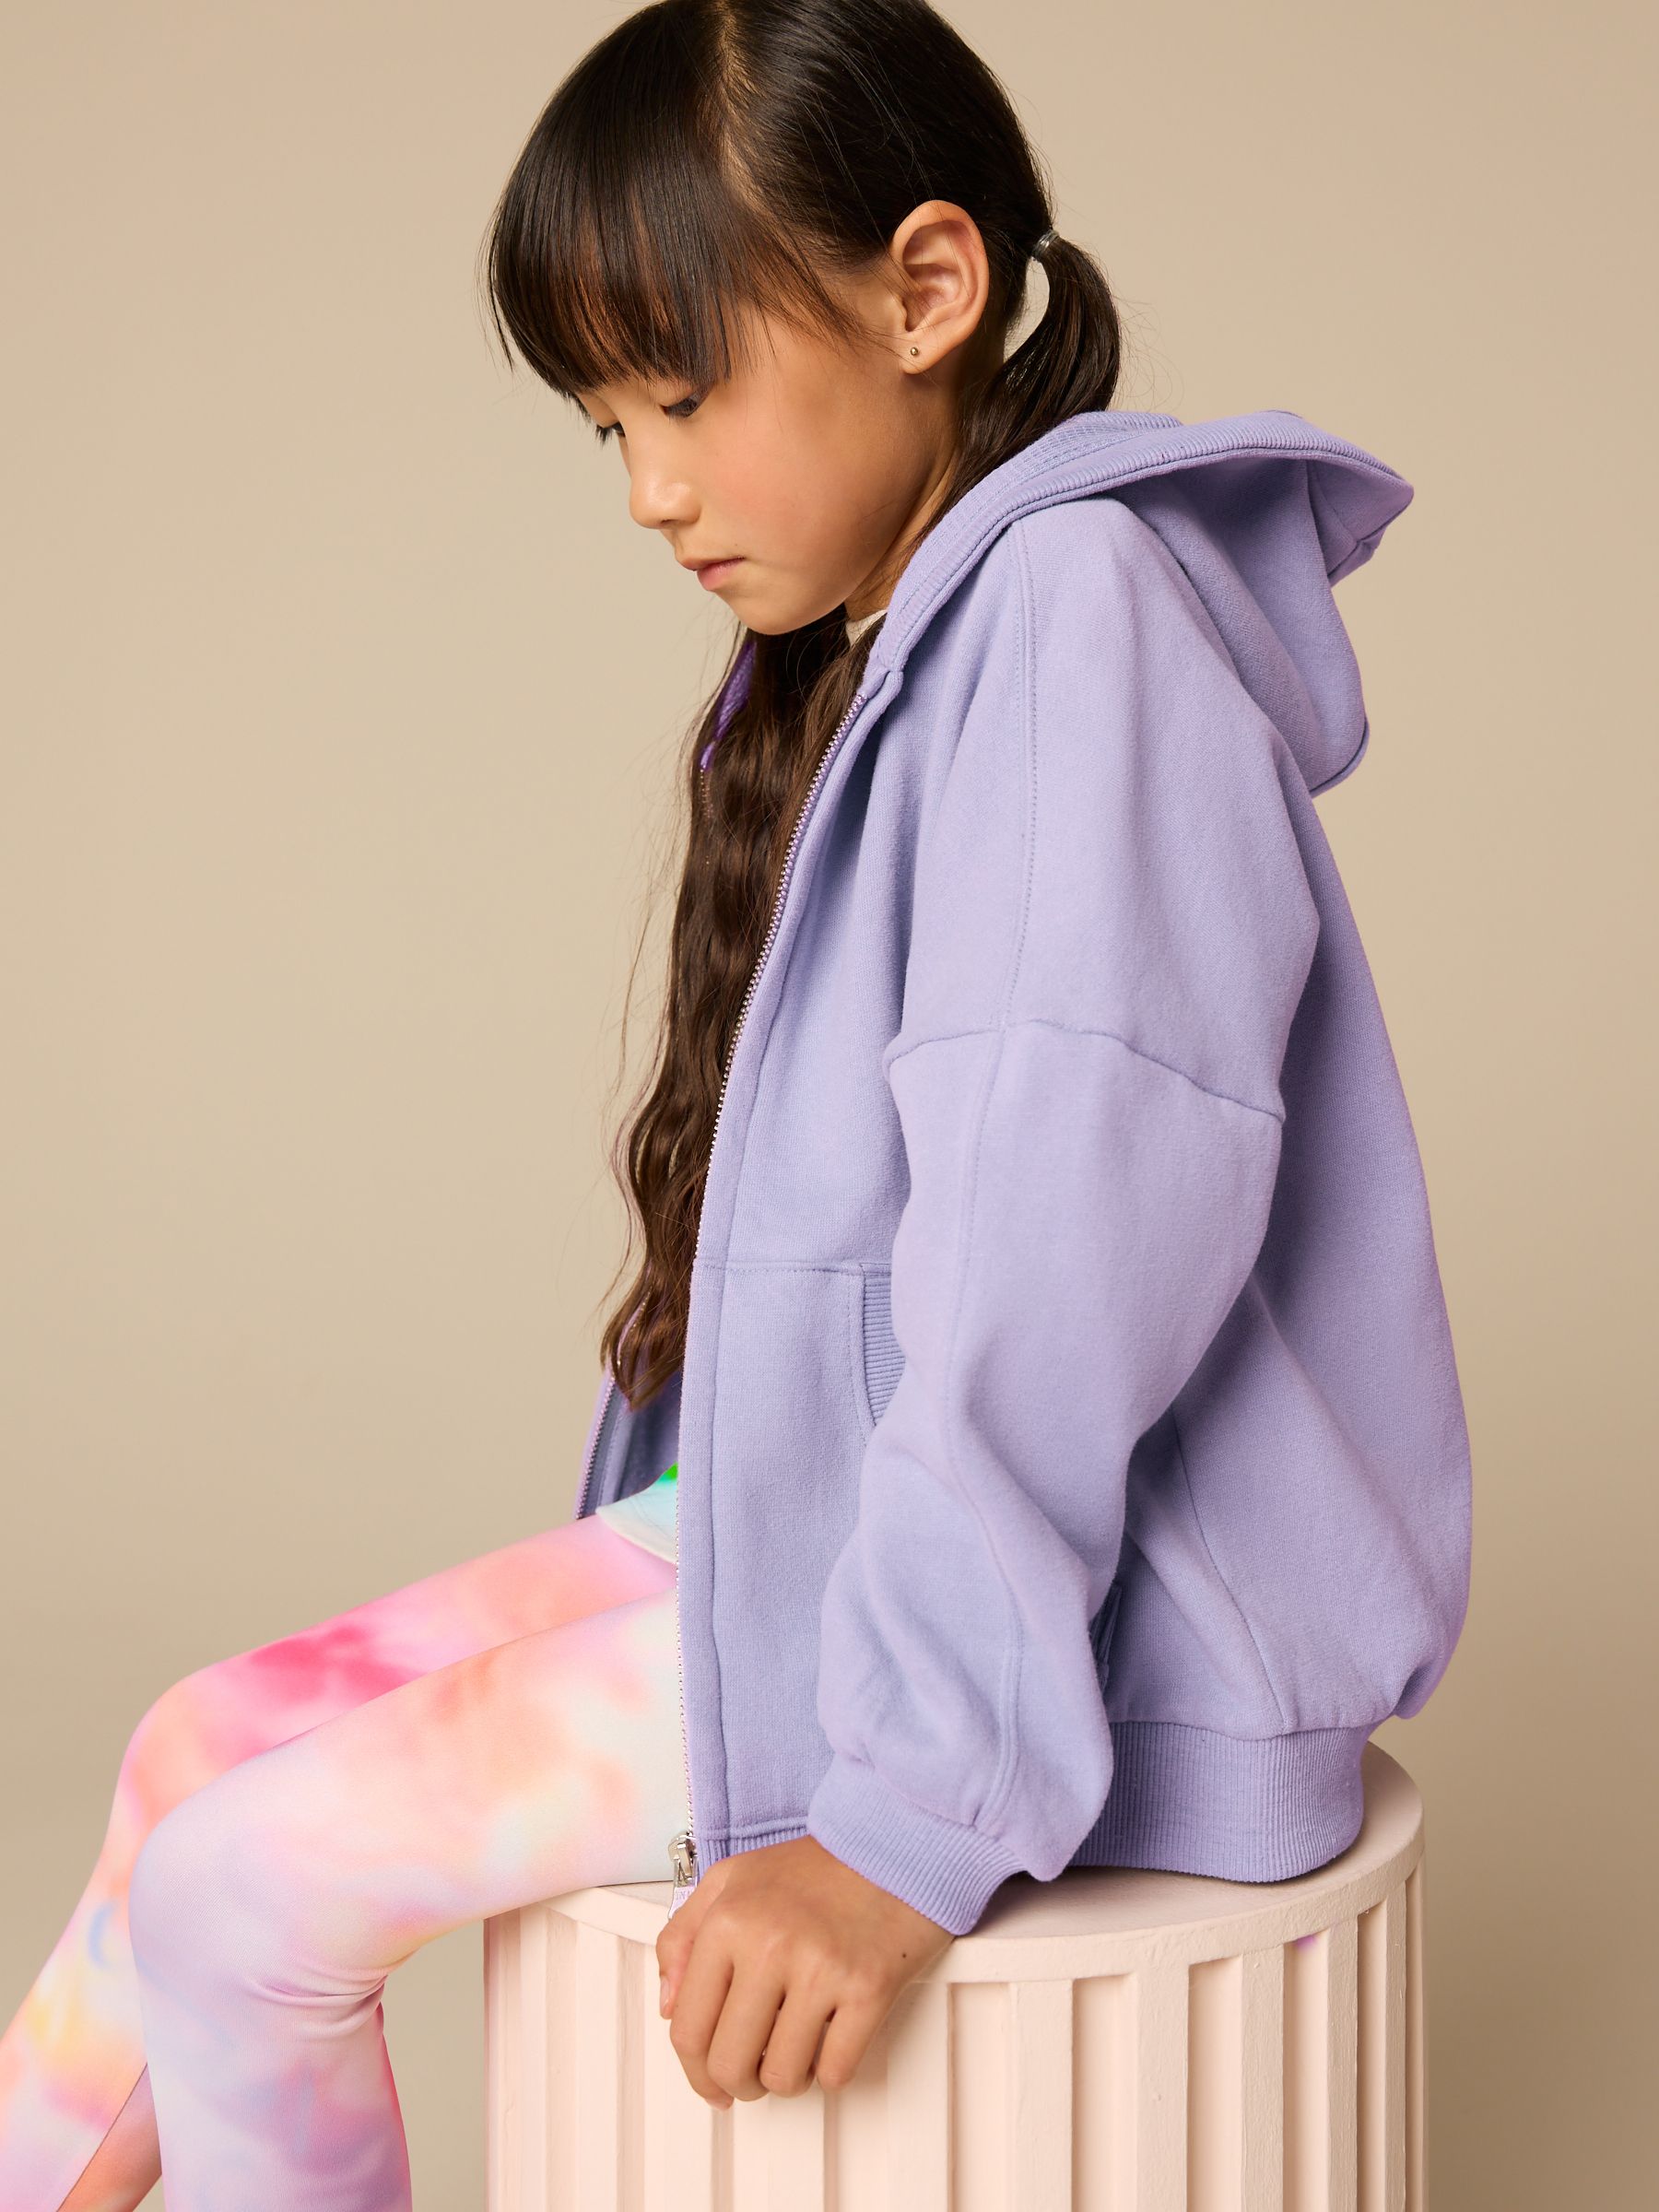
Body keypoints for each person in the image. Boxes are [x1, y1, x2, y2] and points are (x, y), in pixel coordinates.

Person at [0, 0, 1474, 2204]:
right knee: (196, 1746)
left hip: (1084, 1632)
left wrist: (899, 1819)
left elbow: (1063, 1267)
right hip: (829, 1530)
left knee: (245, 1886)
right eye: (608, 426)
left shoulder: (1078, 618)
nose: (650, 490)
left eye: (681, 397)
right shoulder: (903, 646)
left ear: (928, 288)